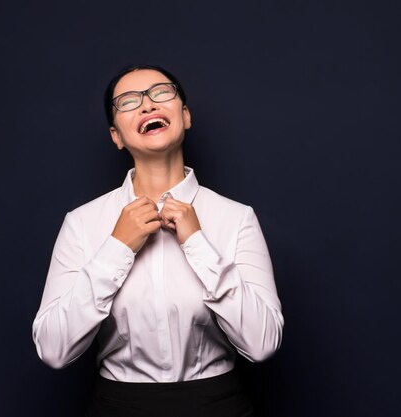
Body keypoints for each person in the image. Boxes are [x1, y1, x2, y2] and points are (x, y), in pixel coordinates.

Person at [32, 65, 284, 417]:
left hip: (218, 406)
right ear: (115, 135)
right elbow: (53, 349)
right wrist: (117, 247)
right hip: (117, 407)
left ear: (185, 115)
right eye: (129, 101)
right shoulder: (82, 223)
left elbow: (263, 344)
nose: (148, 105)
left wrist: (197, 242)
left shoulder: (236, 218)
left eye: (161, 92)